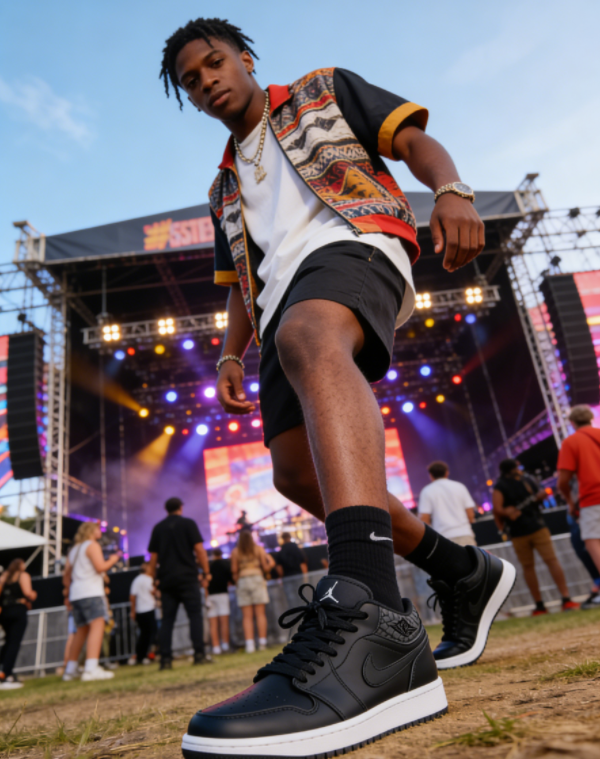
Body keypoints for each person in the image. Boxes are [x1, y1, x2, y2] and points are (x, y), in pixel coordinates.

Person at [159, 18, 516, 756]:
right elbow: (240, 282)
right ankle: (463, 572)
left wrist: (451, 190)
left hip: (357, 243)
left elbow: (414, 141)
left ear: (245, 58)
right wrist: (228, 355)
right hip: (280, 302)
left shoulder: (321, 90)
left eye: (215, 63)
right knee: (295, 474)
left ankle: (369, 608)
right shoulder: (221, 186)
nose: (207, 81)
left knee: (310, 338)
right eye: (192, 81)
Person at [492, 459, 579, 615]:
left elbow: (540, 494)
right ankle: (544, 603)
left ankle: (563, 599)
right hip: (520, 531)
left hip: (535, 526)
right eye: (517, 467)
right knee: (534, 565)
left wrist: (540, 496)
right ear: (512, 468)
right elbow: (497, 509)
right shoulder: (501, 485)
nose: (519, 469)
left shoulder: (525, 480)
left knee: (547, 562)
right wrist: (508, 512)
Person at [148, 497, 211, 669]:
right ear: (180, 508)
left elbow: (153, 559)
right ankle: (199, 654)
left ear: (166, 509)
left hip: (167, 580)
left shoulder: (158, 528)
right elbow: (199, 550)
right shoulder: (188, 523)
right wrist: (206, 572)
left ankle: (165, 660)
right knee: (195, 616)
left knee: (167, 620)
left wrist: (153, 580)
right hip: (188, 578)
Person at [62, 522, 121, 682]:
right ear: (90, 530)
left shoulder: (74, 550)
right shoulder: (92, 545)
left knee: (80, 631)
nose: (100, 531)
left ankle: (70, 670)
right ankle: (91, 668)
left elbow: (66, 576)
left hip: (76, 594)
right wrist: (113, 559)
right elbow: (100, 567)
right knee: (97, 626)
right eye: (97, 528)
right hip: (91, 592)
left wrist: (67, 594)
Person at [556, 405, 600, 596]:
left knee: (592, 542)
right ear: (591, 418)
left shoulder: (571, 442)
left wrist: (570, 501)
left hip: (592, 498)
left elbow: (563, 481)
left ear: (572, 423)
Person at [230, 530, 274, 653]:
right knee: (260, 614)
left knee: (247, 616)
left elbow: (234, 570)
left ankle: (250, 645)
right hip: (257, 578)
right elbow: (265, 567)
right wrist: (271, 564)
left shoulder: (235, 552)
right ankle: (262, 643)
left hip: (243, 580)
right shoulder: (259, 549)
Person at [418, 461, 477, 547]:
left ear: (430, 475)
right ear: (447, 472)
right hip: (465, 535)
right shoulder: (460, 486)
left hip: (442, 539)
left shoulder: (426, 491)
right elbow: (470, 515)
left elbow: (424, 519)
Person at [0, 559, 37, 689]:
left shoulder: (4, 576)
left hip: (5, 612)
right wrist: (34, 594)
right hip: (18, 610)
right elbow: (28, 593)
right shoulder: (23, 575)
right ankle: (6, 675)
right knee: (14, 643)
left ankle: (3, 671)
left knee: (8, 641)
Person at [129, 562, 156, 665]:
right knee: (150, 634)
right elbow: (153, 591)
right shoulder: (149, 579)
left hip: (140, 611)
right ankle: (145, 655)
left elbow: (132, 596)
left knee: (143, 634)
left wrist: (133, 611)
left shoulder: (136, 580)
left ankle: (140, 655)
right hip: (149, 609)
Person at [206, 547, 232, 655]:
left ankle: (216, 647)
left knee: (213, 623)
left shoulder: (208, 565)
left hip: (210, 595)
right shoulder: (225, 564)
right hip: (222, 594)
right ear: (221, 554)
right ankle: (225, 645)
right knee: (224, 622)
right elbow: (231, 579)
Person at [275, 532, 308, 608]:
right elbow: (303, 563)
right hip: (298, 575)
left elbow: (279, 569)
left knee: (291, 599)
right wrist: (305, 576)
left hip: (287, 577)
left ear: (282, 539)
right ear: (290, 537)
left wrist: (281, 577)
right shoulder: (297, 549)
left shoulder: (281, 552)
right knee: (301, 596)